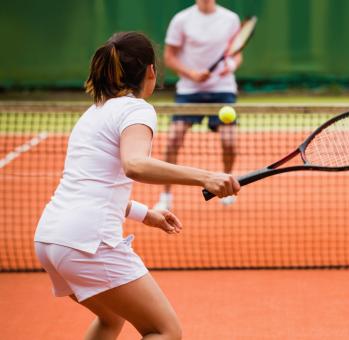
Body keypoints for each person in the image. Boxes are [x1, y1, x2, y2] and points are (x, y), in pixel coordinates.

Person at [34, 32, 240, 339]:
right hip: (88, 242)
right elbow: (135, 164)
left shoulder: (94, 113)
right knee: (164, 331)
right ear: (151, 71)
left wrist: (147, 214)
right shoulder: (136, 109)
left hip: (52, 239)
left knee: (111, 319)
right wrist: (206, 176)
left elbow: (96, 184)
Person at [154, 0, 242, 209]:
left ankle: (227, 184)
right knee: (173, 139)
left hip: (222, 90)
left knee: (229, 142)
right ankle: (165, 196)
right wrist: (191, 74)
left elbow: (236, 53)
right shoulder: (181, 19)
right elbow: (169, 56)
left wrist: (229, 65)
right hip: (189, 91)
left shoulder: (230, 19)